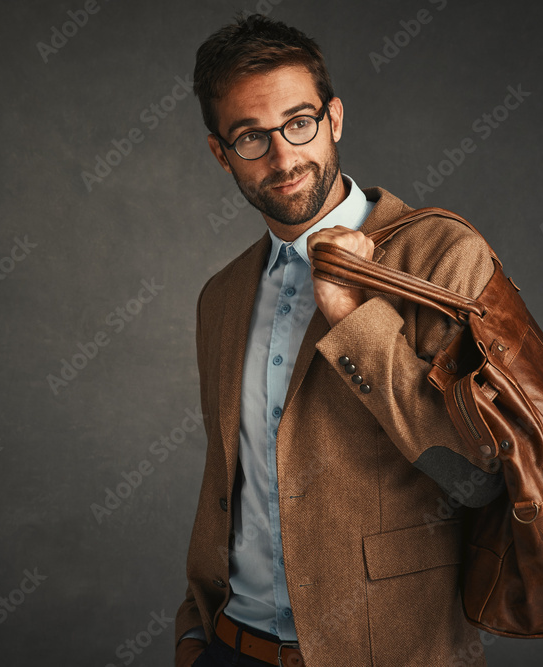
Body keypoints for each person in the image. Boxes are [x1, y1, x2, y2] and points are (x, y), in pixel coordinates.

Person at [174, 14, 506, 667]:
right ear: (220, 152)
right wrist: (194, 633)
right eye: (250, 137)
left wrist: (353, 316)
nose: (283, 155)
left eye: (300, 122)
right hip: (231, 646)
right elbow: (229, 479)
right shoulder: (221, 296)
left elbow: (476, 478)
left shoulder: (442, 254)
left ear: (335, 119)